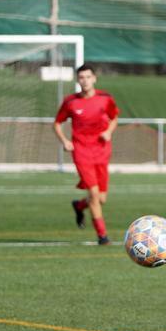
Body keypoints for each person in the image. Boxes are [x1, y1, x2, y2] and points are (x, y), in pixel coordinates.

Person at [53, 64, 119, 245]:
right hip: (81, 153)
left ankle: (79, 205)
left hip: (102, 151)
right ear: (78, 80)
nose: (85, 80)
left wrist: (109, 132)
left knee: (101, 198)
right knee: (95, 196)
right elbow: (57, 123)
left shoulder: (105, 98)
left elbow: (114, 117)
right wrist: (65, 141)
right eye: (81, 77)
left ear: (94, 78)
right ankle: (102, 236)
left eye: (88, 77)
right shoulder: (70, 102)